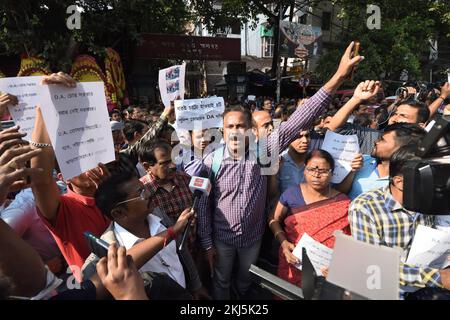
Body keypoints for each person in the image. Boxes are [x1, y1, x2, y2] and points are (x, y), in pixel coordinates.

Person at [197, 41, 364, 299]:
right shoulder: (210, 162)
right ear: (222, 130)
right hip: (222, 239)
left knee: (244, 281)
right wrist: (207, 244)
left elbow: (301, 117)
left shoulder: (264, 151)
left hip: (253, 238)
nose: (235, 132)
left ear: (250, 131)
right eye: (230, 127)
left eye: (241, 126)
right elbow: (203, 209)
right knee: (221, 281)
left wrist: (338, 77)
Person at [83, 170, 209, 299]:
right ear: (119, 213)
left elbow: (182, 251)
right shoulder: (107, 256)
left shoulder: (159, 216)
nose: (149, 194)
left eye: (145, 188)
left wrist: (196, 286)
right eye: (141, 193)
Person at [349, 144, 450, 298]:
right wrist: (437, 277)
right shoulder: (365, 207)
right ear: (399, 181)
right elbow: (373, 266)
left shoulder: (431, 200)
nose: (435, 186)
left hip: (427, 289)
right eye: (428, 180)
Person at [269, 150, 351, 288]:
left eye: (323, 171)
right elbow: (274, 218)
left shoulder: (343, 203)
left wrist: (338, 265)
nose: (316, 175)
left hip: (325, 270)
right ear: (305, 171)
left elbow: (349, 241)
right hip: (293, 261)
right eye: (312, 169)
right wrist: (283, 242)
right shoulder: (292, 193)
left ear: (332, 173)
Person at [345, 123, 426, 200]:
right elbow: (340, 192)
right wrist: (352, 171)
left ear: (401, 149)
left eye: (382, 140)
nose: (376, 141)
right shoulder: (361, 160)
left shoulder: (408, 178)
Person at [139, 139, 193, 222]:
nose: (173, 166)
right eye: (165, 163)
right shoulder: (142, 191)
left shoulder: (185, 179)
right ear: (147, 167)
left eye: (173, 160)